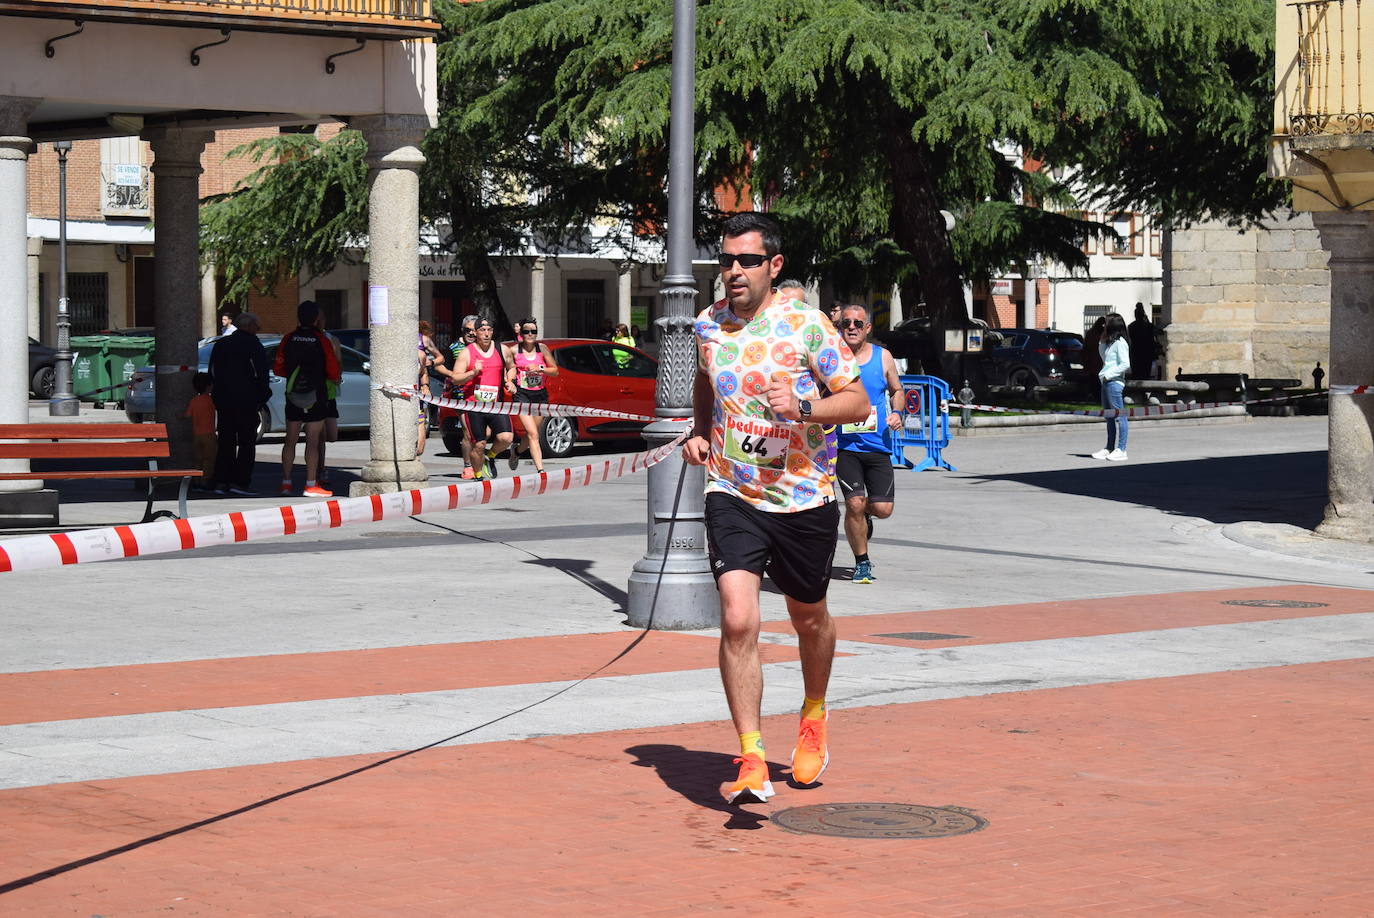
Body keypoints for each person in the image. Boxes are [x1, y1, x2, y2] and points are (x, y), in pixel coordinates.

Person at [682, 212, 868, 805]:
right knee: (738, 618)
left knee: (808, 616)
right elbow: (707, 382)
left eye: (746, 261)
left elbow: (859, 400)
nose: (733, 272)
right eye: (726, 260)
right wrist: (699, 430)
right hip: (733, 491)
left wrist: (804, 407)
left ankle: (814, 712)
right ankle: (752, 755)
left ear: (774, 266)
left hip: (805, 496)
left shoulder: (808, 326)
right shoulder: (707, 325)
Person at [833, 304, 905, 584]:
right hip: (844, 446)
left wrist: (897, 412)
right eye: (846, 323)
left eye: (857, 324)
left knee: (882, 509)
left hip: (878, 446)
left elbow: (897, 390)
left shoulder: (882, 356)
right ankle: (862, 562)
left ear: (867, 329)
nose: (851, 327)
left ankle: (864, 518)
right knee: (854, 503)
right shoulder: (833, 357)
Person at [274, 300, 341, 496]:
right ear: (316, 319)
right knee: (312, 441)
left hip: (293, 394)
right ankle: (311, 484)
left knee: (290, 440)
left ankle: (286, 483)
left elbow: (278, 367)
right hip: (316, 395)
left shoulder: (288, 338)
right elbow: (332, 369)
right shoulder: (321, 340)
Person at [207, 312, 270, 496]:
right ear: (250, 327)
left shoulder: (222, 344)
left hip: (224, 400)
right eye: (257, 327)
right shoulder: (253, 345)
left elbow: (213, 372)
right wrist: (261, 396)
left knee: (226, 441)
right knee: (246, 443)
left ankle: (220, 481)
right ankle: (239, 482)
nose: (258, 331)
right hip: (246, 401)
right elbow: (262, 374)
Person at [451, 317, 513, 479]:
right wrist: (473, 373)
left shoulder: (502, 349)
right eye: (482, 330)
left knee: (506, 438)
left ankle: (490, 456)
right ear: (476, 333)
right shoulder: (467, 352)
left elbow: (511, 367)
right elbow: (455, 378)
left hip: (495, 404)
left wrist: (509, 381)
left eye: (489, 330)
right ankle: (478, 475)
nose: (486, 334)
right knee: (479, 444)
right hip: (474, 407)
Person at [503, 317, 559, 473]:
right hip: (522, 395)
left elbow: (555, 371)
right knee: (534, 434)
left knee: (529, 435)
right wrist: (510, 381)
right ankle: (541, 470)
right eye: (526, 331)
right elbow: (506, 368)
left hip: (540, 395)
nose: (530, 334)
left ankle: (516, 452)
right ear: (521, 332)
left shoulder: (542, 349)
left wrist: (540, 368)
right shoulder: (514, 350)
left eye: (533, 331)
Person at [1093, 312, 1130, 462]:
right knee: (1109, 416)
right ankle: (1109, 447)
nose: (1103, 325)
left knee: (1120, 417)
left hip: (1114, 382)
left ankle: (1121, 449)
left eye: (1106, 323)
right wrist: (1102, 340)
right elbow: (1104, 358)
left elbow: (1125, 364)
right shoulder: (1109, 343)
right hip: (1106, 381)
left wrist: (1109, 375)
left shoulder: (1121, 343)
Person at [416, 320, 451, 456]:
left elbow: (441, 358)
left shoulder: (423, 339)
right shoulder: (397, 340)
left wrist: (430, 362)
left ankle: (418, 454)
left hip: (419, 383)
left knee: (419, 421)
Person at [184, 371, 217, 490]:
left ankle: (196, 481)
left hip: (196, 435)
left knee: (197, 459)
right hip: (209, 434)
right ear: (209, 386)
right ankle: (205, 481)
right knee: (209, 459)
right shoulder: (210, 400)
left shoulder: (194, 400)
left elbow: (187, 415)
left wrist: (178, 415)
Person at [1127, 302, 1157, 380]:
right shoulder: (1149, 326)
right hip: (1147, 352)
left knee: (1137, 374)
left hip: (1136, 353)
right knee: (1145, 374)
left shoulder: (1131, 326)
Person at [1083, 315, 1106, 386]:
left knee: (1094, 382)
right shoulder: (1103, 334)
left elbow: (1085, 348)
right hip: (1098, 362)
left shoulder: (1090, 333)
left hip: (1093, 363)